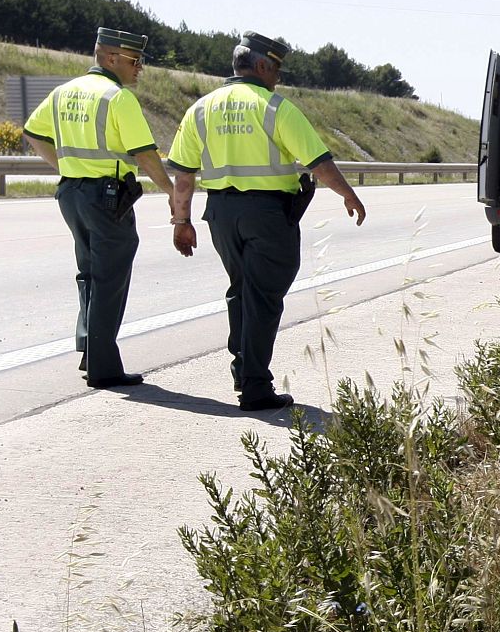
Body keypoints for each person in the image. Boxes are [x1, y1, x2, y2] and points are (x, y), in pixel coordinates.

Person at [166, 32, 366, 411]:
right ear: (260, 66)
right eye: (275, 69)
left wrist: (181, 221)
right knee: (264, 296)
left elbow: (184, 175)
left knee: (241, 290)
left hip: (221, 215)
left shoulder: (201, 109)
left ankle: (243, 370)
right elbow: (318, 162)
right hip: (267, 216)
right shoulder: (275, 108)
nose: (278, 77)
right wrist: (347, 194)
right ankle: (256, 386)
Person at [22, 28, 177, 388]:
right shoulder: (117, 98)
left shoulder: (64, 91)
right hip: (106, 198)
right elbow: (145, 154)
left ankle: (88, 348)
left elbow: (32, 132)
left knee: (89, 272)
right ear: (111, 59)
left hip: (72, 194)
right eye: (135, 61)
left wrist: (64, 166)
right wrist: (171, 192)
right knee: (110, 278)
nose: (140, 69)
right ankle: (103, 367)